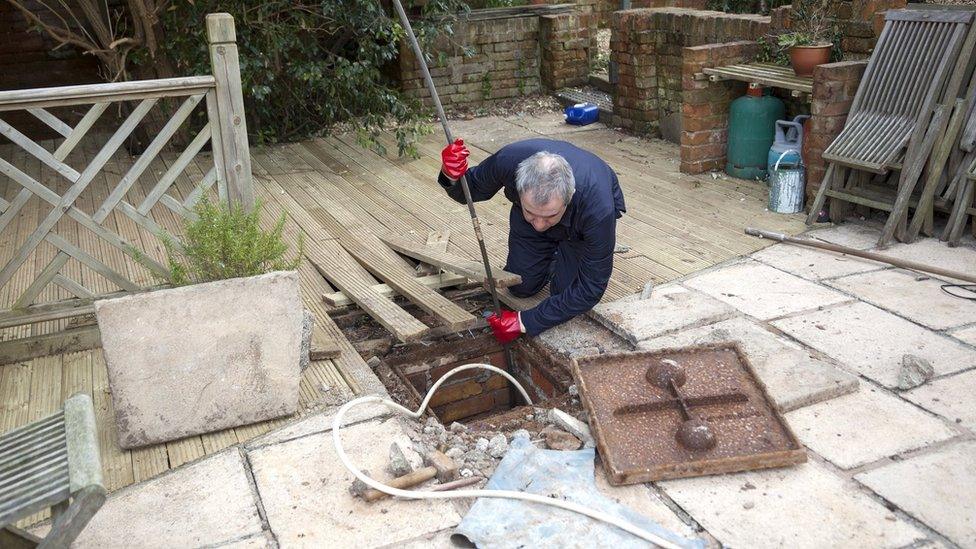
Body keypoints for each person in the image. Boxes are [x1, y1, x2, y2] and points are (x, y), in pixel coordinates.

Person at [438, 138, 625, 344]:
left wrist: (524, 321)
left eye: (550, 216)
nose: (539, 225)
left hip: (579, 227)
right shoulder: (508, 161)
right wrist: (451, 174)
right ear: (518, 186)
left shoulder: (598, 210)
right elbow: (470, 190)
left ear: (569, 197)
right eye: (531, 212)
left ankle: (564, 251)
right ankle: (551, 253)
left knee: (565, 293)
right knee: (520, 286)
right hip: (534, 217)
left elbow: (590, 289)